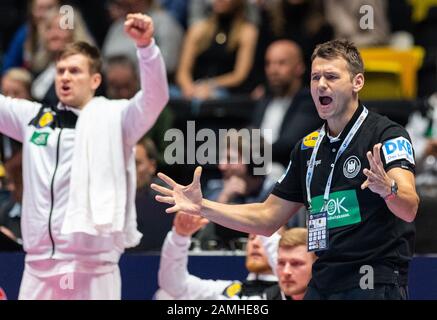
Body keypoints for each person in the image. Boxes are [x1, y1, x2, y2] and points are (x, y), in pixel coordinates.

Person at [152, 39, 419, 300]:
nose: (321, 85)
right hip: (323, 280)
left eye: (331, 76)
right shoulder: (307, 147)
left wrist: (389, 190)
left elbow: (409, 208)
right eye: (315, 78)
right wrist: (203, 207)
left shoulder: (387, 135)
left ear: (357, 82)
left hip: (373, 281)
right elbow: (267, 217)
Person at [0, 13, 168, 299]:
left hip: (93, 270)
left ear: (95, 79)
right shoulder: (33, 118)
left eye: (75, 71)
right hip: (38, 266)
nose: (65, 76)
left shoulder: (117, 118)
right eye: (61, 70)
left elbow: (155, 98)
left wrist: (146, 47)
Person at [157, 211, 278, 300]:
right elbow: (176, 287)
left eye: (265, 239)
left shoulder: (289, 293)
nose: (255, 243)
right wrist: (179, 238)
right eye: (252, 238)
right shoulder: (230, 290)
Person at [252, 40, 323, 167]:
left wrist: (249, 149)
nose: (273, 70)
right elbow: (252, 130)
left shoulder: (309, 100)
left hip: (286, 171)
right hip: (257, 170)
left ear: (299, 67)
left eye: (281, 63)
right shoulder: (264, 100)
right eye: (269, 63)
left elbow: (289, 145)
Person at [262, 227, 316, 300]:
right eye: (281, 263)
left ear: (316, 266)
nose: (286, 272)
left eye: (296, 263)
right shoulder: (269, 296)